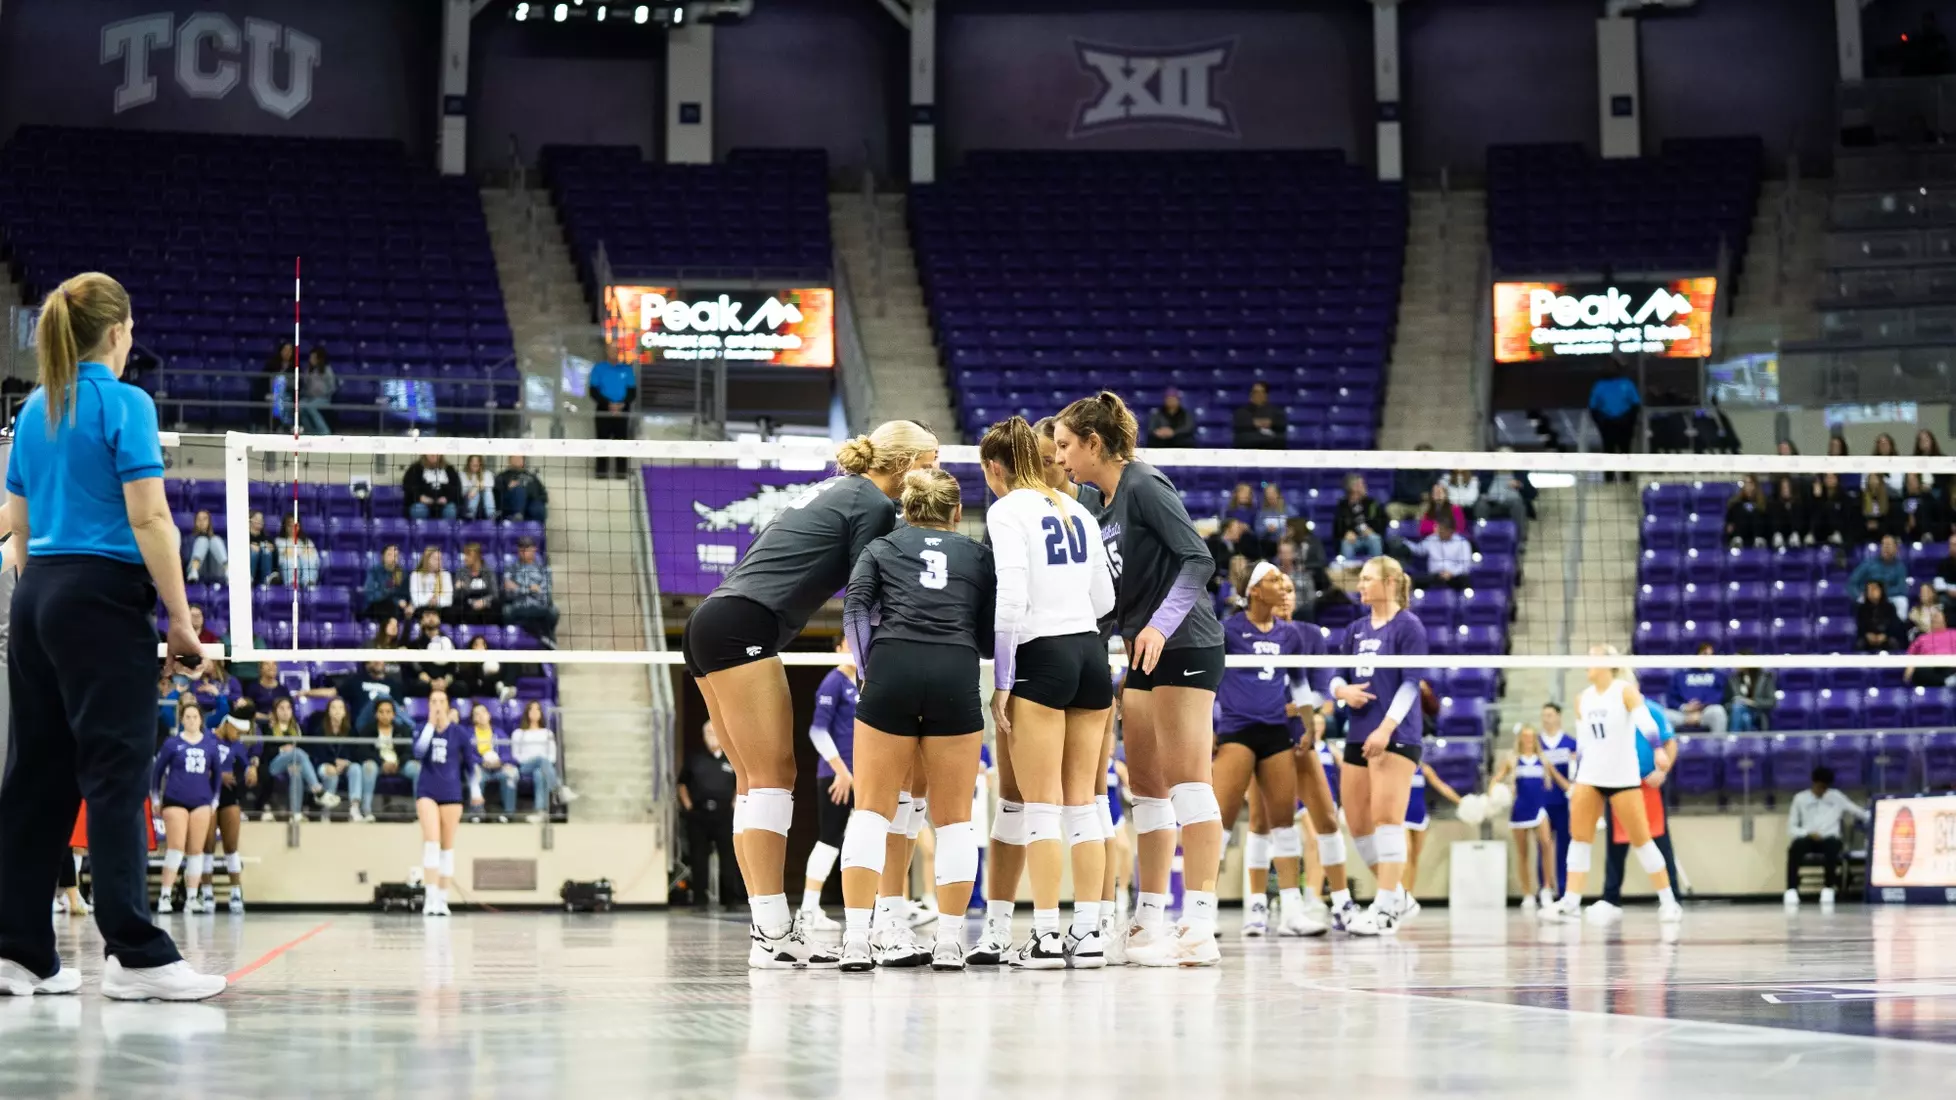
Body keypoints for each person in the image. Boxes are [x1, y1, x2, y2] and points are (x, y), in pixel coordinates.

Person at [0, 272, 223, 1001]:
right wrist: (182, 622)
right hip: (99, 600)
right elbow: (151, 519)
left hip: (37, 598)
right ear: (120, 332)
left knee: (36, 778)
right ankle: (137, 956)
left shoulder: (36, 407)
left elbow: (17, 529)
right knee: (117, 776)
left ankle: (20, 952)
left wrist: (46, 601)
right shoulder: (126, 403)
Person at [680, 420, 935, 967]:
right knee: (774, 779)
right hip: (744, 627)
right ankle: (773, 934)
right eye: (929, 462)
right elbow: (869, 593)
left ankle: (770, 932)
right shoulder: (872, 502)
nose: (935, 474)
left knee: (752, 784)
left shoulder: (839, 489)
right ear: (903, 462)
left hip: (712, 623)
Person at [1054, 391, 1228, 965]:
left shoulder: (1145, 485)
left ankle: (1201, 925)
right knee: (1148, 790)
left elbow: (1198, 558)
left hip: (1186, 642)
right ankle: (1148, 922)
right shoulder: (1098, 504)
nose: (1060, 460)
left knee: (1187, 782)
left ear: (1094, 444)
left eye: (1065, 447)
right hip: (1143, 652)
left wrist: (1158, 624)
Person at [838, 467, 994, 972]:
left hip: (893, 668)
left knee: (872, 813)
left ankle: (858, 941)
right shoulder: (976, 554)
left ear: (905, 510)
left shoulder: (881, 548)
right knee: (953, 822)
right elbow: (991, 632)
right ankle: (949, 943)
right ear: (955, 513)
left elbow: (856, 612)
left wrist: (867, 672)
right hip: (954, 671)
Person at [971, 416, 1113, 970]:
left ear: (994, 467)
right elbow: (1104, 598)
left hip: (1041, 655)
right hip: (1089, 656)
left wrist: (1003, 679)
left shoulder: (1008, 510)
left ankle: (1048, 937)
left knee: (1040, 807)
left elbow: (1009, 600)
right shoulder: (1076, 507)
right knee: (1084, 804)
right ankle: (1089, 934)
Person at [1215, 566, 1329, 938]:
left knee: (1284, 821)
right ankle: (1201, 911)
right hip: (1236, 732)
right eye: (1274, 581)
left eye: (1284, 582)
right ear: (1254, 591)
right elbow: (1210, 681)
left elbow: (1298, 682)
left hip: (1275, 732)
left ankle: (1292, 910)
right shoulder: (1229, 630)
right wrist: (1208, 728)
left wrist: (1310, 724)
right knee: (1219, 824)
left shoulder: (1289, 634)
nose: (1283, 587)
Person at [1542, 647, 1682, 923]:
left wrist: (1657, 750)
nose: (1587, 663)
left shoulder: (1625, 691)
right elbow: (1583, 742)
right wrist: (1575, 772)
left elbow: (1646, 723)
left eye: (1592, 657)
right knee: (1579, 839)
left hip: (1622, 778)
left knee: (1642, 841)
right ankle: (1571, 901)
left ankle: (1669, 901)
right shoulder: (1583, 699)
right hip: (1590, 776)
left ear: (1608, 663)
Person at [1326, 556, 1428, 935]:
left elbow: (1409, 683)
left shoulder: (1409, 627)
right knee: (1357, 823)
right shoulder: (1354, 629)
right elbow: (1334, 675)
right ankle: (1399, 897)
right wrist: (1342, 691)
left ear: (1389, 582)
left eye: (1367, 579)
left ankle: (1385, 909)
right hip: (1358, 734)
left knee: (1388, 820)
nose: (1360, 586)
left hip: (1396, 735)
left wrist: (1386, 728)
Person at [1591, 698, 1683, 924]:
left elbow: (1669, 744)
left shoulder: (1652, 710)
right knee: (1616, 846)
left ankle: (1672, 899)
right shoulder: (1609, 710)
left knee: (1659, 842)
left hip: (1647, 786)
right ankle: (1611, 899)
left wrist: (1662, 772)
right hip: (1619, 784)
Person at [799, 638, 858, 933]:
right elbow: (817, 731)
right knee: (830, 839)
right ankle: (809, 908)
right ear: (837, 649)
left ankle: (884, 907)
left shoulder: (864, 682)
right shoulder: (832, 683)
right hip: (836, 777)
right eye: (847, 644)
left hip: (862, 777)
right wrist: (842, 772)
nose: (853, 649)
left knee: (867, 841)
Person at [411, 691, 479, 917]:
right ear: (428, 705)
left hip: (451, 792)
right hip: (427, 790)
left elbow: (470, 765)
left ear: (448, 705)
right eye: (433, 702)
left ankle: (442, 899)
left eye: (441, 701)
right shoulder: (422, 728)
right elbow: (419, 752)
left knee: (446, 848)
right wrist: (431, 724)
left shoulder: (459, 733)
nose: (437, 705)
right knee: (431, 842)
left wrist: (476, 790)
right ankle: (429, 899)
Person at [152, 701, 220, 915]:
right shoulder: (172, 744)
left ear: (201, 720)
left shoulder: (210, 744)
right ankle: (165, 895)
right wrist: (156, 798)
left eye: (195, 717)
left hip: (202, 801)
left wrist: (215, 800)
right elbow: (157, 772)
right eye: (188, 717)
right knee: (176, 848)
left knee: (196, 851)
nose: (191, 720)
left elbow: (217, 774)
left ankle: (192, 897)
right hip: (175, 799)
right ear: (182, 720)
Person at [1490, 727, 1557, 913]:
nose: (1528, 739)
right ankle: (1527, 893)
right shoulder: (1512, 760)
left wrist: (1571, 789)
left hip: (1539, 808)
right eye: (1524, 736)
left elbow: (1556, 779)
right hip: (1520, 809)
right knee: (1523, 853)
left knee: (1546, 844)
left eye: (1531, 736)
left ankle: (1546, 889)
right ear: (1520, 739)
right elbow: (1495, 780)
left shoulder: (1543, 759)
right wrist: (1495, 793)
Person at [1783, 766, 1869, 908]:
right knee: (1795, 848)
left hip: (1829, 838)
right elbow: (1791, 828)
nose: (1822, 791)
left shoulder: (1836, 797)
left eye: (1825, 787)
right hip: (1808, 837)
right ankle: (1791, 889)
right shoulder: (1800, 799)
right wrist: (1807, 833)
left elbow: (1858, 812)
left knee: (1833, 847)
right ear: (1813, 783)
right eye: (1819, 786)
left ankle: (1828, 888)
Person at [679, 719, 741, 907]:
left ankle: (730, 899)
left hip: (724, 815)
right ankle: (700, 899)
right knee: (699, 858)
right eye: (709, 733)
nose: (712, 737)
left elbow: (741, 783)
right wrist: (689, 806)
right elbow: (682, 784)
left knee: (728, 858)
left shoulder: (732, 759)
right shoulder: (695, 758)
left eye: (716, 733)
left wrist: (734, 804)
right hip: (699, 815)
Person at [204, 702, 255, 913]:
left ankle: (236, 890)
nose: (238, 736)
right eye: (237, 731)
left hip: (228, 795)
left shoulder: (237, 745)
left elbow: (245, 763)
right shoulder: (206, 739)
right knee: (206, 847)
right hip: (206, 793)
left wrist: (252, 768)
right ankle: (206, 891)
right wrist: (217, 775)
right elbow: (194, 770)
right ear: (226, 724)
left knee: (231, 846)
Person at [499, 701, 572, 820]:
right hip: (524, 766)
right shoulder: (519, 733)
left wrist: (541, 761)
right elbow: (515, 755)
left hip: (543, 766)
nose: (534, 712)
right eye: (531, 710)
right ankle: (559, 789)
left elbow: (552, 755)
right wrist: (535, 760)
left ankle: (540, 811)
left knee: (539, 773)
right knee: (540, 760)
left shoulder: (547, 733)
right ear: (527, 713)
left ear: (540, 713)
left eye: (537, 709)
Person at [262, 696, 333, 821]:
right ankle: (318, 789)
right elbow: (265, 753)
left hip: (293, 765)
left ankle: (296, 814)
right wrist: (281, 750)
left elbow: (307, 750)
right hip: (274, 766)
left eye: (288, 708)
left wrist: (292, 758)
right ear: (275, 711)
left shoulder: (298, 729)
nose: (285, 712)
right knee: (297, 753)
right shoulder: (268, 729)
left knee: (296, 770)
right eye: (281, 708)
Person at [352, 699, 422, 823]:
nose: (385, 715)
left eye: (388, 712)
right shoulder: (368, 730)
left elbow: (408, 751)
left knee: (417, 768)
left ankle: (420, 812)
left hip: (399, 765)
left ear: (394, 714)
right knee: (368, 767)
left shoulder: (402, 729)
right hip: (378, 765)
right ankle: (367, 810)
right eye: (381, 712)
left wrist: (399, 763)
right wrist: (381, 763)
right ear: (376, 714)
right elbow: (363, 751)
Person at [1537, 702, 1575, 904]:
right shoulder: (1535, 744)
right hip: (1542, 801)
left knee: (1565, 846)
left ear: (1559, 717)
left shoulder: (1570, 743)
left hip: (1563, 802)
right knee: (1543, 845)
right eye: (1544, 715)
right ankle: (1545, 887)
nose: (1546, 719)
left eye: (1550, 715)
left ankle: (1564, 888)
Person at [305, 697, 359, 818]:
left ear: (345, 711)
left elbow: (355, 752)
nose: (337, 711)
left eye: (340, 708)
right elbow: (317, 754)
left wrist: (346, 761)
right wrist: (332, 762)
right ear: (328, 711)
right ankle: (326, 812)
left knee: (356, 768)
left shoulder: (351, 730)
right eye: (333, 707)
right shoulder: (319, 730)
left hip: (344, 765)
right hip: (323, 765)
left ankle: (354, 808)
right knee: (331, 773)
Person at [501, 537, 559, 645]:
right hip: (518, 606)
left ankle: (547, 639)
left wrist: (518, 588)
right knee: (506, 611)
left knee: (554, 611)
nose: (523, 551)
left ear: (534, 549)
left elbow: (546, 593)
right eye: (521, 548)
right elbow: (508, 592)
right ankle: (510, 642)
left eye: (527, 548)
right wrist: (530, 589)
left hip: (538, 606)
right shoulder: (511, 568)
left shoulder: (543, 568)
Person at [1663, 642, 1730, 734]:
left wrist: (1701, 708)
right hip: (1683, 714)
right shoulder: (1680, 676)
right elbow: (1671, 699)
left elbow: (1720, 697)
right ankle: (1668, 747)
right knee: (1665, 715)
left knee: (1718, 712)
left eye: (1711, 655)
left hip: (1705, 713)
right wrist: (1684, 707)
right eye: (1705, 654)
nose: (1708, 658)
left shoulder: (1718, 676)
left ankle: (1717, 747)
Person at [588, 360, 637, 478]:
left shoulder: (627, 369)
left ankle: (621, 474)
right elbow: (593, 391)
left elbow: (632, 391)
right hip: (603, 410)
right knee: (602, 442)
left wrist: (621, 404)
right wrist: (608, 404)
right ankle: (601, 474)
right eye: (611, 349)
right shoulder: (599, 368)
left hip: (622, 411)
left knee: (621, 442)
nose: (613, 352)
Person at [1588, 371, 1641, 474]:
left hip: (1624, 424)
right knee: (1608, 451)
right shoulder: (1600, 385)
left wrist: (1630, 421)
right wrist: (1600, 423)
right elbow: (1593, 407)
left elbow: (1635, 404)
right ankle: (1609, 480)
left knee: (1625, 452)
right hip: (1607, 424)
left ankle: (1627, 479)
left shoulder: (1627, 383)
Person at [1850, 535, 1910, 619]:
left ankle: (1899, 629)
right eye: (1883, 545)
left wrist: (1881, 594)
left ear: (1896, 548)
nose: (1885, 548)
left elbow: (1901, 588)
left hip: (1890, 597)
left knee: (1902, 601)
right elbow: (1852, 582)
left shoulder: (1900, 567)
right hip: (1869, 596)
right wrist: (1859, 595)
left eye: (1889, 545)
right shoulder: (1868, 564)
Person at [1332, 474, 1386, 563]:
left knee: (1375, 539)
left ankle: (1377, 568)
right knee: (1346, 543)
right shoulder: (1342, 505)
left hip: (1369, 536)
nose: (1364, 486)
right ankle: (1348, 570)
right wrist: (1346, 533)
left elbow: (1382, 520)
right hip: (1353, 538)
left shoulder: (1372, 503)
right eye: (1360, 484)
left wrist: (1372, 530)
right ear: (1352, 487)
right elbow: (1337, 526)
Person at [1414, 513, 1472, 590]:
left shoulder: (1462, 542)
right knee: (1416, 579)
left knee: (1465, 580)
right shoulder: (1431, 539)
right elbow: (1418, 549)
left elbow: (1465, 565)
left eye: (1442, 530)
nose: (1439, 532)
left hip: (1454, 576)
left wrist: (1452, 573)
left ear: (1451, 531)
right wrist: (1404, 542)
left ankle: (1465, 601)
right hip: (1435, 575)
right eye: (1439, 529)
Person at [1905, 605, 1956, 687]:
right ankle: (1946, 682)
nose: (1934, 618)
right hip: (1930, 667)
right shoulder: (1922, 638)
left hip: (1951, 666)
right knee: (1919, 672)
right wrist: (1908, 671)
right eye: (1932, 617)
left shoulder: (1954, 633)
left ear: (1945, 619)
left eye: (1937, 616)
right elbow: (1911, 656)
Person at [452, 541, 499, 626]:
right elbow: (456, 597)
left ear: (477, 557)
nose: (465, 558)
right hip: (468, 606)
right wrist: (458, 589)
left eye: (468, 555)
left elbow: (495, 594)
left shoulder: (488, 572)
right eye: (465, 555)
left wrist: (484, 601)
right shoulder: (461, 572)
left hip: (486, 606)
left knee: (494, 609)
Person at [363, 543, 412, 622]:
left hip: (398, 610)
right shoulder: (374, 571)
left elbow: (407, 595)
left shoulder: (403, 574)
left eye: (396, 555)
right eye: (389, 555)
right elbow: (370, 595)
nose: (393, 558)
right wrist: (392, 597)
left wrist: (408, 604)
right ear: (383, 557)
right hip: (378, 607)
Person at [403, 454, 461, 520]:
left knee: (451, 510)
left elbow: (457, 488)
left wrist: (447, 499)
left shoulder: (449, 469)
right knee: (418, 510)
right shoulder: (415, 468)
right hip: (421, 504)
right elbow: (408, 487)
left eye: (436, 453)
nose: (433, 455)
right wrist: (420, 497)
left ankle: (446, 530)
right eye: (430, 452)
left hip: (444, 505)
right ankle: (420, 529)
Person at [1231, 381, 1286, 449]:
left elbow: (1281, 428)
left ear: (1266, 395)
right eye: (1255, 392)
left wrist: (1255, 424)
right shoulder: (1241, 412)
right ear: (1251, 394)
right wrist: (1255, 423)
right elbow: (1239, 431)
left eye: (1261, 392)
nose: (1257, 395)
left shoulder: (1277, 412)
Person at [1857, 580, 1907, 653]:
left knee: (1894, 643)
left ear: (1881, 591)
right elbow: (1860, 625)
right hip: (1868, 638)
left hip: (1885, 637)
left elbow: (1894, 624)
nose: (1871, 592)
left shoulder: (1890, 607)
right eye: (1869, 590)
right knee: (1860, 644)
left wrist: (1885, 635)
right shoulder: (1862, 608)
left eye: (1874, 589)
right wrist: (1867, 635)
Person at [495, 455, 549, 522]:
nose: (518, 460)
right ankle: (518, 515)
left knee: (538, 508)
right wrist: (508, 488)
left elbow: (543, 494)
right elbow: (497, 495)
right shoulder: (502, 476)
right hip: (510, 505)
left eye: (520, 458)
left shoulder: (532, 476)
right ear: (509, 460)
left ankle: (536, 530)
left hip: (530, 504)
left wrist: (536, 499)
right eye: (516, 457)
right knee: (519, 489)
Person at [298, 346, 336, 436]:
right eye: (311, 357)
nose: (311, 360)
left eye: (314, 358)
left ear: (319, 359)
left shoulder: (327, 370)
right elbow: (305, 386)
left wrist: (324, 393)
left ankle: (325, 431)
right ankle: (310, 431)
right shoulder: (308, 371)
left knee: (310, 407)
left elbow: (332, 386)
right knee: (300, 406)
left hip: (324, 399)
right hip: (309, 398)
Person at [1729, 661, 1777, 732]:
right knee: (1745, 717)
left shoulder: (1765, 678)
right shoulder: (1734, 679)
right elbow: (1730, 698)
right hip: (1739, 710)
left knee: (1740, 710)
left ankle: (1733, 739)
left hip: (1758, 711)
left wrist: (1752, 702)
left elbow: (1772, 702)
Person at [1724, 475, 1769, 549]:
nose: (1747, 486)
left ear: (1755, 485)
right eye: (1745, 483)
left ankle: (1759, 539)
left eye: (1749, 483)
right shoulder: (1736, 503)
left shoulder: (1763, 503)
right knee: (1740, 508)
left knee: (1756, 511)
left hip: (1757, 535)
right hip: (1741, 535)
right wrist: (1729, 525)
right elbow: (1728, 522)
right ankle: (1737, 539)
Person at [275, 516, 320, 590]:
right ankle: (292, 583)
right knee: (290, 560)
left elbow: (314, 556)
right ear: (285, 526)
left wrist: (296, 553)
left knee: (309, 559)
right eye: (290, 525)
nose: (293, 528)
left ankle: (309, 583)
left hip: (305, 566)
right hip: (287, 569)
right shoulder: (279, 541)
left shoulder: (307, 541)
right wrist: (302, 552)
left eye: (295, 525)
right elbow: (283, 556)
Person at [182, 509, 226, 584]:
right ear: (195, 522)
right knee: (202, 540)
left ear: (209, 522)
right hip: (196, 573)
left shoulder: (219, 540)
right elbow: (185, 559)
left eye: (205, 519)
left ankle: (228, 571)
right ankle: (194, 571)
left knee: (215, 540)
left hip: (217, 571)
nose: (201, 522)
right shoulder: (188, 539)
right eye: (198, 519)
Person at [1766, 474, 1807, 549]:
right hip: (1777, 541)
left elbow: (1803, 523)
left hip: (1796, 542)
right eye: (1783, 487)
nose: (1785, 490)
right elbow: (1769, 523)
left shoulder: (1798, 504)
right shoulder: (1773, 504)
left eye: (1787, 487)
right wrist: (1776, 533)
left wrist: (1797, 533)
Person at [411, 546, 453, 612]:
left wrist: (437, 600)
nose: (439, 562)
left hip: (441, 609)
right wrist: (429, 599)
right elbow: (416, 599)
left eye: (440, 559)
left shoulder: (445, 575)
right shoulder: (416, 575)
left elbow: (449, 600)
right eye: (435, 559)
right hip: (422, 608)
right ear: (427, 560)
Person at [458, 455, 496, 521]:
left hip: (484, 501)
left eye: (477, 461)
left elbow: (490, 487)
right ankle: (470, 514)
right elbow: (462, 491)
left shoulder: (487, 474)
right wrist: (475, 487)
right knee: (476, 494)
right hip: (467, 499)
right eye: (472, 461)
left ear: (481, 463)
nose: (475, 463)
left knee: (487, 492)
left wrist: (476, 488)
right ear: (468, 463)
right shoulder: (462, 474)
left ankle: (492, 515)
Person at [245, 509, 278, 585]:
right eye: (257, 519)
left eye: (261, 519)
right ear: (249, 520)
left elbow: (276, 557)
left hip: (264, 569)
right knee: (254, 551)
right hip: (247, 570)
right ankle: (249, 579)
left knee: (266, 549)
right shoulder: (244, 537)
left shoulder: (267, 538)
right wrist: (248, 546)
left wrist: (273, 550)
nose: (260, 521)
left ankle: (266, 580)